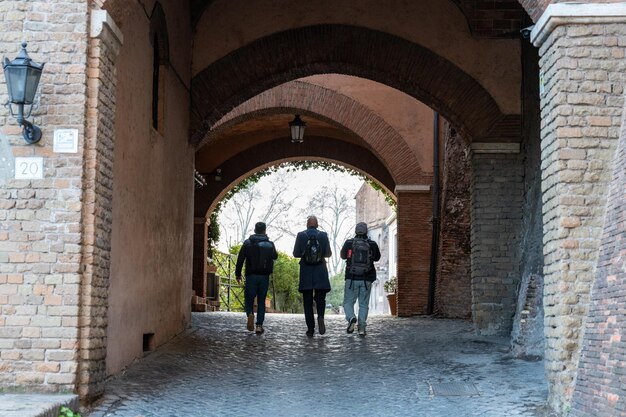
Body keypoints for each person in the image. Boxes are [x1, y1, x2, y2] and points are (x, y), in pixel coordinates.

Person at [235, 222, 278, 334]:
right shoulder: (270, 244)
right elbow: (275, 256)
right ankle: (259, 325)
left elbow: (240, 259)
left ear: (255, 230)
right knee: (261, 301)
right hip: (264, 276)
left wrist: (238, 274)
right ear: (264, 231)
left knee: (248, 299)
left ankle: (249, 314)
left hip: (251, 275)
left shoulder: (248, 243)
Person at [293, 216, 332, 337]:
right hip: (320, 271)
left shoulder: (301, 235)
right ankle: (320, 316)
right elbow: (328, 253)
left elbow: (295, 253)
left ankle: (310, 328)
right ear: (317, 224)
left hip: (306, 272)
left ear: (307, 224)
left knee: (307, 301)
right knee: (321, 299)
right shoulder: (323, 235)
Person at [340, 222, 381, 336]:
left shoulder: (349, 243)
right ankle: (362, 328)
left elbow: (343, 256)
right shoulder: (371, 243)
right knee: (363, 304)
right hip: (366, 278)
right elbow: (377, 257)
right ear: (366, 231)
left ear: (356, 231)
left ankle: (351, 318)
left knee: (348, 302)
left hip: (351, 278)